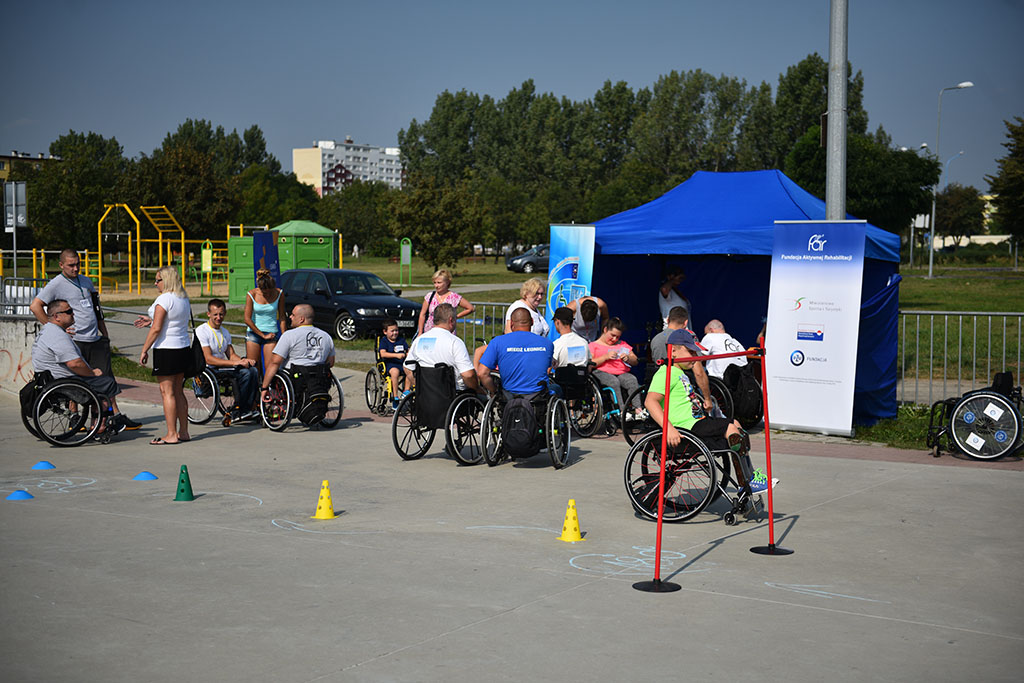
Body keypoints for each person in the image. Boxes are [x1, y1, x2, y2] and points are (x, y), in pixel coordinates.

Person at [644, 329, 772, 495]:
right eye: (690, 352)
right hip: (686, 427)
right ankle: (746, 483)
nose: (695, 356)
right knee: (730, 428)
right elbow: (650, 401)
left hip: (696, 422)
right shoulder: (666, 373)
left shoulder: (680, 373)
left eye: (695, 352)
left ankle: (751, 477)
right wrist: (669, 428)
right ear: (673, 351)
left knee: (736, 424)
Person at [29, 248, 140, 431]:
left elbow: (96, 309)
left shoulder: (86, 281)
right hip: (76, 340)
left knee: (104, 379)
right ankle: (75, 417)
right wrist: (55, 328)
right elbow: (35, 306)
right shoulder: (56, 284)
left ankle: (113, 416)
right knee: (77, 379)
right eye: (71, 265)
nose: (75, 268)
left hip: (94, 338)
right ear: (61, 265)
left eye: (78, 264)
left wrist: (104, 334)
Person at [31, 299, 121, 425]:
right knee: (107, 383)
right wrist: (92, 373)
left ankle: (99, 421)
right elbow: (74, 364)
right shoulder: (57, 335)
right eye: (68, 311)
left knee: (99, 383)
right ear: (56, 316)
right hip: (65, 382)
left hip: (51, 379)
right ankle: (100, 425)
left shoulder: (48, 330)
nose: (73, 313)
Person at [135, 266, 193, 445]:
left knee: (166, 392)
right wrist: (152, 320)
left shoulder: (164, 299)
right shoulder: (183, 298)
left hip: (167, 349)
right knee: (178, 391)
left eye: (158, 280)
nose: (155, 283)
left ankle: (171, 434)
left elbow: (157, 328)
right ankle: (183, 432)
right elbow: (171, 321)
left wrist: (144, 349)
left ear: (166, 280)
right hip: (182, 347)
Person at [196, 298, 259, 419]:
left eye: (221, 314)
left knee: (253, 371)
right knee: (245, 374)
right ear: (208, 314)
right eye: (215, 314)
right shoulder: (202, 331)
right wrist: (234, 363)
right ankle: (237, 410)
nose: (218, 317)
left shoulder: (224, 332)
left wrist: (243, 361)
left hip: (223, 367)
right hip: (209, 369)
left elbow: (231, 354)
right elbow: (208, 359)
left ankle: (247, 408)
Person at [260, 304, 336, 398]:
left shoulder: (289, 335)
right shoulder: (326, 336)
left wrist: (264, 387)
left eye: (293, 315)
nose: (290, 317)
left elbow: (275, 362)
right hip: (318, 380)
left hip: (295, 379)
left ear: (301, 319)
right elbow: (330, 363)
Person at [650, 306, 713, 414]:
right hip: (683, 386)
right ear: (685, 323)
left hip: (662, 389)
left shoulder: (655, 339)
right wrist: (707, 399)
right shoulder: (688, 336)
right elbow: (698, 372)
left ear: (668, 320)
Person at [479, 307, 553, 396]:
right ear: (532, 321)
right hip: (538, 397)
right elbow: (547, 369)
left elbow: (482, 373)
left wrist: (494, 391)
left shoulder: (497, 342)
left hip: (509, 396)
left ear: (511, 323)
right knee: (557, 388)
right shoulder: (547, 343)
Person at [405, 303, 478, 392]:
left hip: (425, 394)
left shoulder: (420, 340)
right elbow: (468, 375)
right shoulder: (455, 342)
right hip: (452, 393)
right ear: (451, 320)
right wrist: (477, 389)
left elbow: (407, 367)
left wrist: (418, 385)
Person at [588, 317, 642, 418]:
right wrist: (605, 357)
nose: (614, 339)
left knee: (632, 380)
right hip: (601, 372)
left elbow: (635, 360)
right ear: (605, 330)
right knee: (613, 382)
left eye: (617, 337)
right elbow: (590, 364)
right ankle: (621, 411)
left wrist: (628, 358)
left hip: (620, 372)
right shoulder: (593, 345)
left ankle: (638, 410)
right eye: (612, 335)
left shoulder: (622, 344)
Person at [244, 268, 285, 370]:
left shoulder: (279, 293)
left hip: (271, 333)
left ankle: (267, 381)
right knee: (254, 368)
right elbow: (247, 319)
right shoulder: (251, 294)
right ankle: (256, 380)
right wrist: (262, 335)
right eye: (264, 293)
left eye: (270, 292)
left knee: (270, 368)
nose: (267, 295)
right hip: (254, 333)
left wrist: (284, 335)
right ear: (259, 288)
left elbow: (282, 316)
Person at [417, 269, 475, 335]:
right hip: (430, 332)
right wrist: (420, 332)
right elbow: (422, 314)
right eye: (434, 283)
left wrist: (456, 316)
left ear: (447, 282)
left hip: (448, 333)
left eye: (439, 283)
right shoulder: (430, 296)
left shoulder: (454, 297)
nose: (436, 286)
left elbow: (470, 308)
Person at [378, 318, 414, 407]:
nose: (395, 333)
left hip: (402, 363)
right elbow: (383, 354)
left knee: (410, 369)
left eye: (396, 330)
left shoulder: (401, 340)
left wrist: (409, 353)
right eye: (392, 331)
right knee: (395, 372)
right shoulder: (384, 341)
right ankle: (395, 397)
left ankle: (406, 392)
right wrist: (396, 355)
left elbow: (407, 350)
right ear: (385, 332)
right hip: (390, 364)